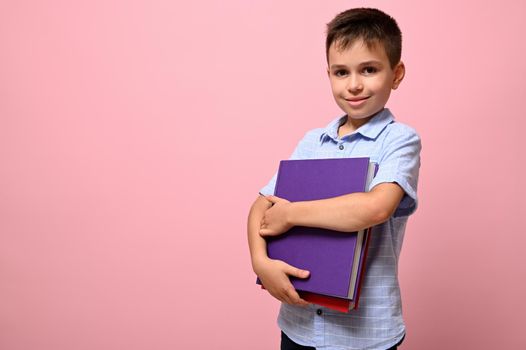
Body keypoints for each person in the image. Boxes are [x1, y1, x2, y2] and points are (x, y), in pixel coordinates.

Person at [247, 8, 421, 350]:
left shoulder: (399, 140)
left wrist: (291, 214)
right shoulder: (313, 141)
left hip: (366, 335)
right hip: (299, 324)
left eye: (369, 70)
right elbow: (260, 204)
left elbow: (374, 208)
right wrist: (260, 261)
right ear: (328, 74)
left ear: (396, 74)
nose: (354, 84)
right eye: (341, 72)